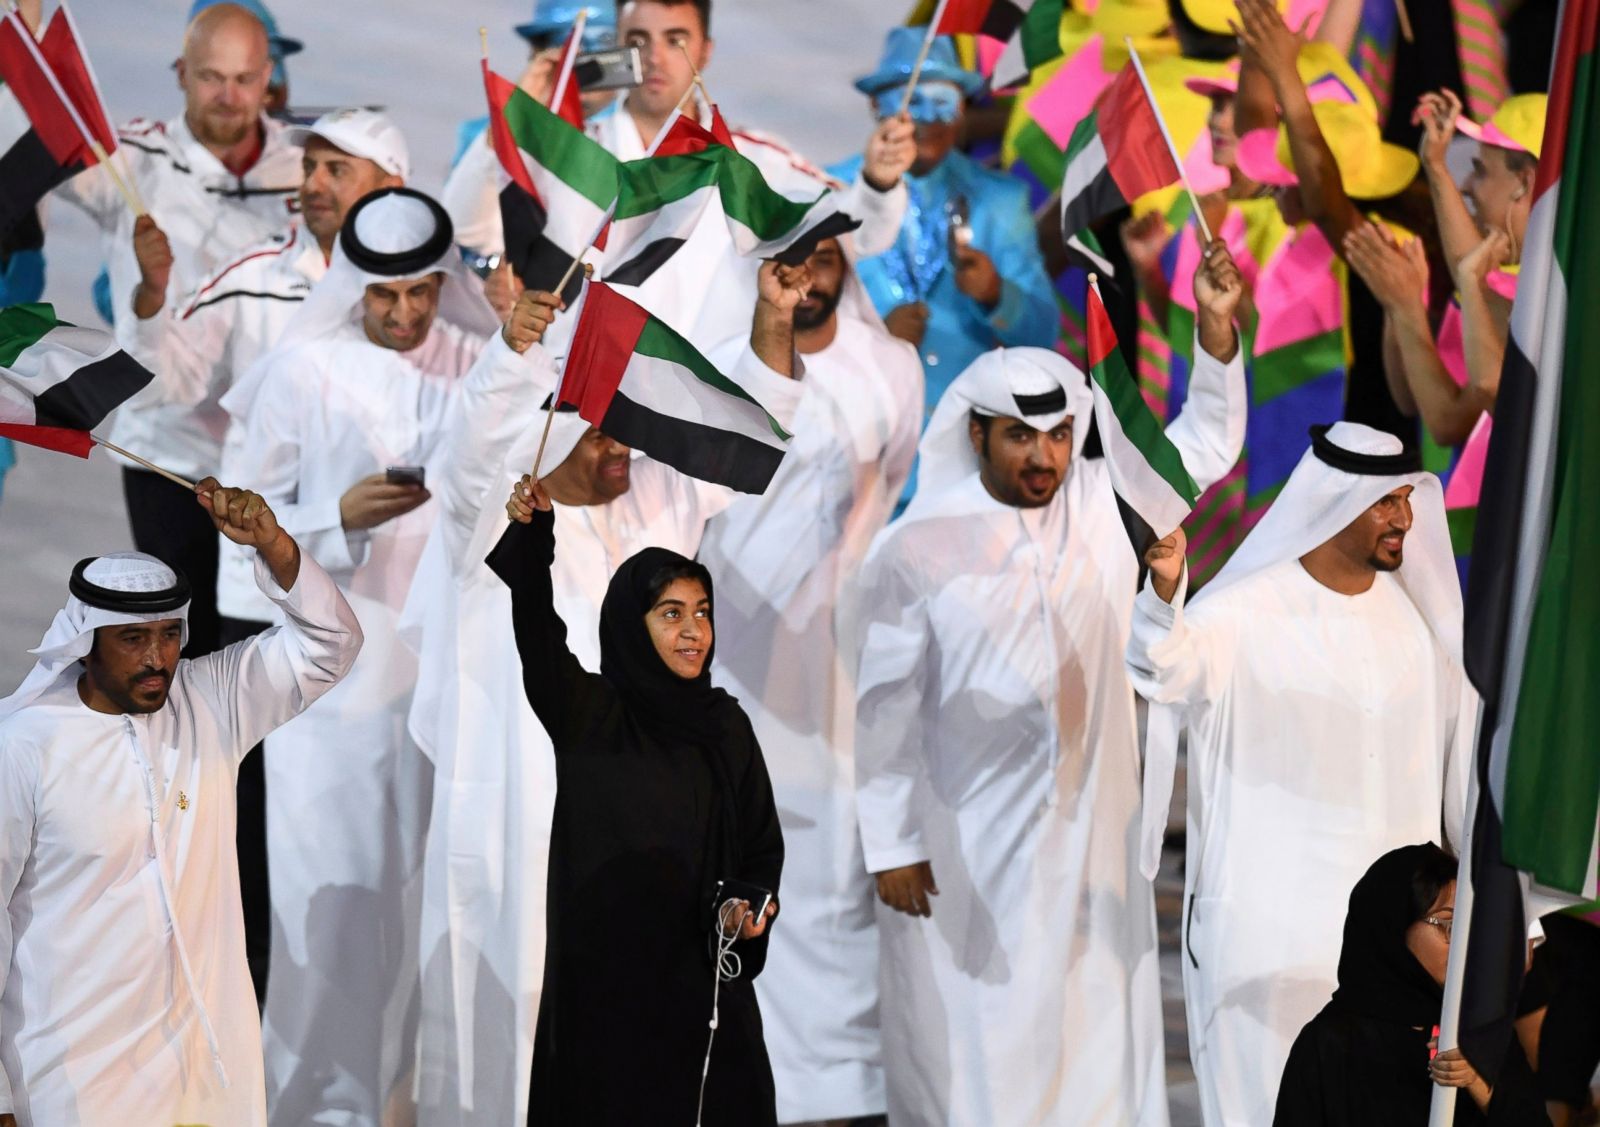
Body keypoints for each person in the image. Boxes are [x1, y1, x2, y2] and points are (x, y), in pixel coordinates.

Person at [401, 261, 807, 1125]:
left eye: (625, 431)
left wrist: (774, 318)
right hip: (526, 814)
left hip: (658, 854)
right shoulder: (499, 516)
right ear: (550, 437)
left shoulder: (655, 493)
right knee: (521, 1027)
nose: (619, 447)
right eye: (597, 433)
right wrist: (513, 354)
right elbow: (475, 454)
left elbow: (746, 438)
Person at [851, 244, 1248, 1124]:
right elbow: (880, 711)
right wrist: (890, 841)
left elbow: (1207, 445)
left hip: (1089, 838)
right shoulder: (917, 547)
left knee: (1096, 1034)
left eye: (1060, 435)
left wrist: (1214, 333)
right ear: (978, 435)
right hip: (963, 850)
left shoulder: (1107, 507)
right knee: (977, 1041)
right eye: (1021, 437)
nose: (1044, 456)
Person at [220, 187, 500, 1125]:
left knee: (429, 907)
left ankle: (406, 1104)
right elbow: (234, 549)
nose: (408, 314)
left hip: (443, 684)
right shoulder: (302, 373)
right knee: (328, 909)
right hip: (331, 693)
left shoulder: (473, 362)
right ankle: (308, 1108)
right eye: (387, 297)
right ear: (355, 287)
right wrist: (334, 521)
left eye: (424, 293)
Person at [119, 106, 409, 1000]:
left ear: (391, 187)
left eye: (338, 169)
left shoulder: (426, 300)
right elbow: (162, 386)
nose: (313, 183)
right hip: (271, 586)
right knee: (261, 787)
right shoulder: (251, 282)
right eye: (311, 164)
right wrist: (153, 298)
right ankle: (247, 972)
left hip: (398, 608)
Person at [1128, 421, 1475, 1127]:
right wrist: (1163, 593)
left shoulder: (1419, 624)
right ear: (1336, 501)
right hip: (1270, 935)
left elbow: (1461, 772)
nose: (1404, 517)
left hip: (1390, 947)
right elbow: (1164, 668)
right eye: (1386, 501)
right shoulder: (1239, 613)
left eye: (1407, 497)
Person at [0, 481, 362, 1127]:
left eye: (170, 634)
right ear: (85, 640)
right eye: (133, 639)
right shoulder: (24, 746)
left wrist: (275, 545)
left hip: (207, 1067)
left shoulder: (211, 700)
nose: (158, 658)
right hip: (75, 1077)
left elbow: (331, 642)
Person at [697, 237, 922, 1125]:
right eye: (794, 259)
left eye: (828, 256)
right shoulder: (717, 362)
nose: (813, 275)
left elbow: (895, 486)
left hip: (841, 662)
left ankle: (842, 1093)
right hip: (729, 656)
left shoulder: (890, 368)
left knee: (830, 879)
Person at [492, 467, 783, 1127]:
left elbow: (761, 846)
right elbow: (538, 633)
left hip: (705, 994)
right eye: (671, 613)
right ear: (632, 621)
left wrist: (745, 905)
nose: (693, 632)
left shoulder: (725, 724)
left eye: (702, 612)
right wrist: (533, 535)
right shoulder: (589, 712)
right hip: (608, 1000)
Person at [52, 2, 301, 658]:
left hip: (274, 456)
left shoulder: (307, 167)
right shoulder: (132, 161)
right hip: (168, 456)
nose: (229, 95)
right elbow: (38, 134)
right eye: (211, 76)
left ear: (270, 76)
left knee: (268, 653)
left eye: (245, 79)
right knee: (184, 652)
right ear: (180, 73)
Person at [573, 0, 914, 350]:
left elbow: (855, 232)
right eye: (639, 40)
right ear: (619, 45)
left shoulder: (757, 159)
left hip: (710, 389)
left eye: (675, 41)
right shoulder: (574, 155)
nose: (655, 58)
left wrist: (878, 183)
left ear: (705, 51)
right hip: (586, 388)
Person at [1342, 91, 1545, 581]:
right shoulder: (1502, 281)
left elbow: (1446, 420)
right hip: (1464, 523)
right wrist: (1400, 309)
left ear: (1526, 182)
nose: (1469, 186)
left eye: (1481, 170)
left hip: (1496, 543)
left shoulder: (1538, 295)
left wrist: (1408, 307)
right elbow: (1411, 400)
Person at [834, 28, 1057, 421]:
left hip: (960, 436)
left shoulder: (999, 200)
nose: (927, 119)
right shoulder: (830, 191)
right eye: (909, 101)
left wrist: (995, 293)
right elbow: (795, 322)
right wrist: (871, 340)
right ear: (876, 106)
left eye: (943, 103)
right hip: (857, 429)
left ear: (963, 110)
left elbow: (1042, 333)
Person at [1273, 843, 1551, 1125]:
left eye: (1471, 927)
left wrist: (1480, 1084)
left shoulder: (1479, 1032)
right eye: (1450, 925)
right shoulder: (1331, 1044)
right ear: (1394, 927)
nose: (1465, 945)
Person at [441, 2, 619, 261]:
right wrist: (513, 122)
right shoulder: (487, 134)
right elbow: (464, 231)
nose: (586, 66)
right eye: (569, 51)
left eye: (603, 49)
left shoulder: (642, 137)